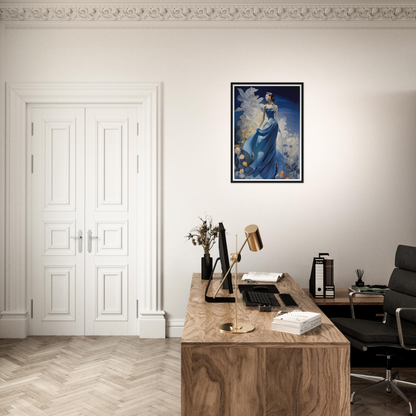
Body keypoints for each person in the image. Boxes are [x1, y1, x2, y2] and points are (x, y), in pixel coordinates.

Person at [243, 92, 286, 179]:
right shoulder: (265, 106)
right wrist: (259, 127)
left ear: (270, 96)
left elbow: (276, 118)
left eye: (266, 96)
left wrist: (279, 127)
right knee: (265, 147)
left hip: (274, 126)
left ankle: (270, 170)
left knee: (272, 147)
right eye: (265, 96)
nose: (265, 97)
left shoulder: (276, 106)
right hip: (267, 125)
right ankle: (254, 166)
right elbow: (263, 118)